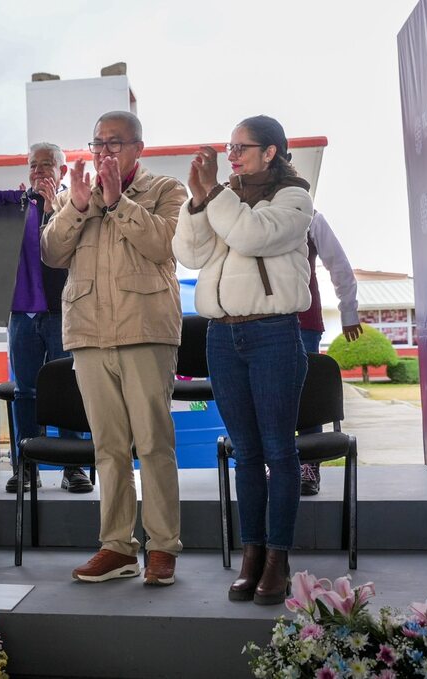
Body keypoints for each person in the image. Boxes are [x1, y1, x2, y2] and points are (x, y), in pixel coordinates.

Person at [41, 111, 186, 587]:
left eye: (115, 143)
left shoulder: (166, 190)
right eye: (98, 143)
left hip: (146, 329)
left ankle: (162, 547)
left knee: (154, 444)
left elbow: (163, 244)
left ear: (138, 148)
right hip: (87, 333)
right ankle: (117, 548)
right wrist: (78, 206)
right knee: (107, 447)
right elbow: (51, 253)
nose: (104, 151)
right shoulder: (71, 194)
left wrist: (116, 200)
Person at [173, 115, 312, 605]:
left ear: (270, 151)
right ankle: (251, 555)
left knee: (279, 451)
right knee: (246, 453)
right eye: (229, 147)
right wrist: (195, 201)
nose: (232, 155)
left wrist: (215, 194)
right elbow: (190, 253)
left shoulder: (294, 198)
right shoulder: (220, 198)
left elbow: (252, 236)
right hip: (221, 338)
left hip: (273, 335)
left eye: (242, 147)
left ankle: (278, 556)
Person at [4, 142, 92, 494]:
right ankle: (26, 467)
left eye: (47, 165)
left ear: (61, 169)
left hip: (63, 311)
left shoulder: (76, 203)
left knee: (69, 387)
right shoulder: (14, 206)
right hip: (23, 312)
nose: (39, 171)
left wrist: (51, 207)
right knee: (25, 391)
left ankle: (74, 467)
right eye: (33, 165)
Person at [298, 211, 361, 495]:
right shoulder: (246, 208)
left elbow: (337, 263)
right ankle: (280, 464)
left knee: (306, 396)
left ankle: (309, 467)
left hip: (303, 321)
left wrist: (348, 310)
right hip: (258, 321)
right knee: (271, 397)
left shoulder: (309, 216)